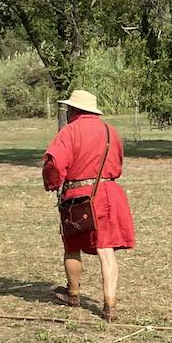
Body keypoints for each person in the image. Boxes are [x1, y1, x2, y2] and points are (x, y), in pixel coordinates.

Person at [42, 90, 135, 322]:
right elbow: (119, 163)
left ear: (74, 110)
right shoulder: (110, 131)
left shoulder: (69, 132)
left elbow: (54, 163)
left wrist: (52, 183)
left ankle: (73, 295)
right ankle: (109, 306)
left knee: (72, 245)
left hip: (78, 196)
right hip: (108, 193)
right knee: (106, 249)